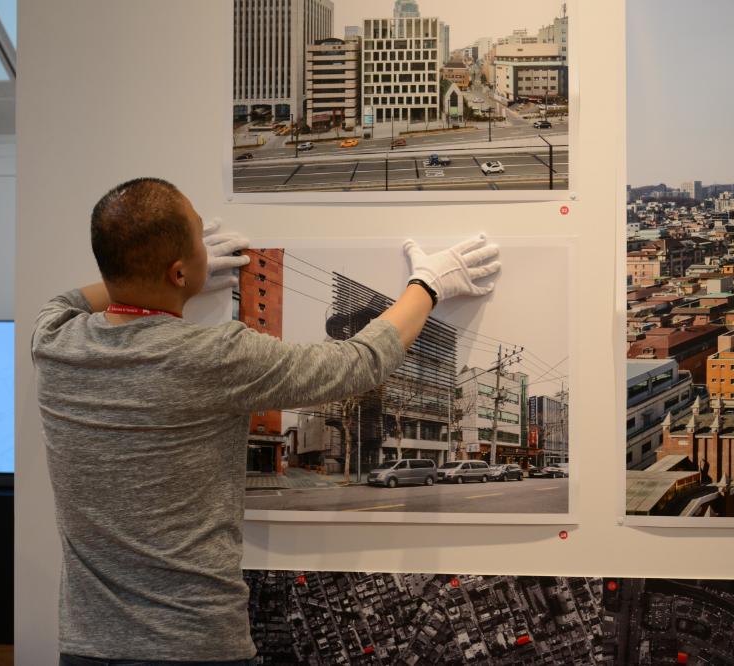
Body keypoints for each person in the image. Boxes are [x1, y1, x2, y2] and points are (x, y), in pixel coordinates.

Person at [33, 177, 501, 666]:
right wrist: (427, 284)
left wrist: (154, 276)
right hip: (195, 646)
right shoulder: (214, 356)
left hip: (86, 647)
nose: (203, 245)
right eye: (197, 239)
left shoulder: (54, 341)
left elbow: (67, 301)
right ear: (179, 272)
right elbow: (357, 362)